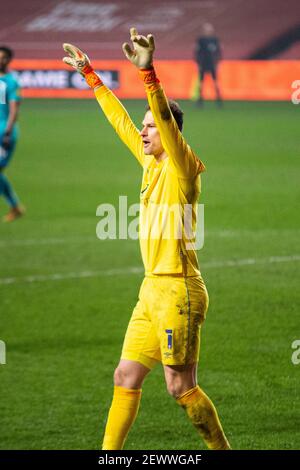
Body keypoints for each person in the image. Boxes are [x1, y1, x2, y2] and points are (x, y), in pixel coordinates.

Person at [62, 28, 230, 450]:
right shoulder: (149, 162)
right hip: (151, 289)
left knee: (179, 387)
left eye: (152, 126)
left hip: (179, 290)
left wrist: (148, 73)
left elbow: (162, 116)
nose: (144, 131)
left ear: (170, 131)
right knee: (126, 376)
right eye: (145, 126)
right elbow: (121, 122)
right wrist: (91, 75)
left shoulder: (182, 166)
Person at [0, 46, 24, 222]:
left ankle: (15, 206)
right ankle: (15, 206)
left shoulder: (11, 81)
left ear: (8, 60)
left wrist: (7, 133)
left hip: (4, 132)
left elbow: (14, 109)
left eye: (3, 57)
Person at [195, 23, 222, 106]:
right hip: (203, 63)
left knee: (215, 82)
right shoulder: (200, 40)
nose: (208, 31)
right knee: (201, 82)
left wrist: (217, 63)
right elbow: (197, 53)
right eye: (206, 30)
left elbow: (218, 52)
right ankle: (200, 100)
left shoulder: (215, 40)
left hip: (212, 64)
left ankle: (218, 100)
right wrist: (198, 63)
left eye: (209, 30)